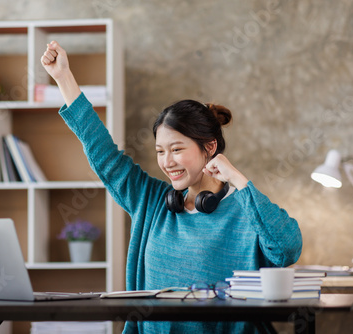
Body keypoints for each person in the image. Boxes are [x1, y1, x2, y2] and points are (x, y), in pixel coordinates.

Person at [41, 41, 303, 334]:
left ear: (210, 147)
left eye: (176, 149)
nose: (167, 162)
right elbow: (103, 153)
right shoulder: (151, 200)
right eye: (160, 151)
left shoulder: (245, 208)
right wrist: (63, 77)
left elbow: (287, 249)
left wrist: (240, 181)